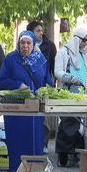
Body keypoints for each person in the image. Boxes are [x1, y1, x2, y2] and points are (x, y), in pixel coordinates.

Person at [0, 30, 53, 172]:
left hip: (36, 113)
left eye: (29, 43)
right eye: (22, 42)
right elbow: (1, 80)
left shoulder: (41, 59)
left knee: (35, 144)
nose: (25, 46)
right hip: (16, 110)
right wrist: (18, 85)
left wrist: (47, 94)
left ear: (34, 44)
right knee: (17, 145)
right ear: (18, 43)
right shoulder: (11, 59)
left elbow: (48, 83)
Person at [54, 27, 87, 167]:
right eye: (84, 40)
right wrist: (70, 78)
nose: (85, 43)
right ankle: (63, 155)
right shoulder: (64, 52)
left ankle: (76, 155)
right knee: (67, 126)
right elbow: (57, 71)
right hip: (67, 95)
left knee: (82, 127)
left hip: (84, 97)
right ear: (77, 38)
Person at [26, 21, 58, 154]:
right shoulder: (25, 43)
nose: (41, 33)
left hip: (43, 84)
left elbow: (53, 66)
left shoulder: (49, 45)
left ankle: (43, 143)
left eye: (41, 30)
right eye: (38, 30)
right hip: (28, 86)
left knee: (43, 117)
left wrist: (51, 84)